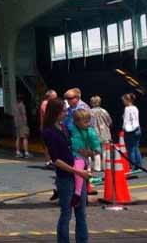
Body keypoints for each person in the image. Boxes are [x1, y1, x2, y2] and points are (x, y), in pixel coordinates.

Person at [42, 98, 90, 243]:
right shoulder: (49, 132)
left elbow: (73, 148)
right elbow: (56, 160)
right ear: (55, 112)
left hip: (78, 175)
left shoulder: (64, 128)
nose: (66, 113)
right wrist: (77, 172)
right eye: (63, 111)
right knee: (67, 214)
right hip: (66, 177)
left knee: (81, 213)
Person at [70, 109, 100, 203]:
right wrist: (80, 149)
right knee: (78, 172)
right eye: (85, 122)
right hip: (76, 154)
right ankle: (77, 193)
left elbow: (95, 141)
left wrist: (96, 150)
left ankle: (80, 194)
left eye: (88, 121)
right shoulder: (73, 129)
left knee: (81, 173)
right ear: (76, 122)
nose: (88, 124)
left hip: (82, 156)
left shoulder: (89, 131)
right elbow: (75, 141)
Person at [89, 95, 112, 172]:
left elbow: (88, 123)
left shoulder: (89, 112)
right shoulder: (104, 111)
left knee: (96, 150)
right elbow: (109, 121)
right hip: (105, 133)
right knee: (105, 150)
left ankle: (97, 167)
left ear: (92, 103)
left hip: (93, 133)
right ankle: (105, 166)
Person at [122, 92, 142, 170]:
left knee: (130, 149)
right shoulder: (135, 108)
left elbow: (126, 121)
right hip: (137, 129)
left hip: (130, 131)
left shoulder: (127, 109)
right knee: (136, 147)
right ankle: (139, 165)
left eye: (124, 100)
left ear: (128, 100)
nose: (123, 102)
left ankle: (132, 165)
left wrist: (124, 128)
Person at [40, 90, 58, 167]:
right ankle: (48, 161)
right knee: (48, 144)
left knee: (50, 143)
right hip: (47, 126)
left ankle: (51, 160)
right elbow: (47, 114)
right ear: (49, 96)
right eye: (54, 96)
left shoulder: (49, 103)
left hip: (49, 126)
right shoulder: (45, 103)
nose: (56, 98)